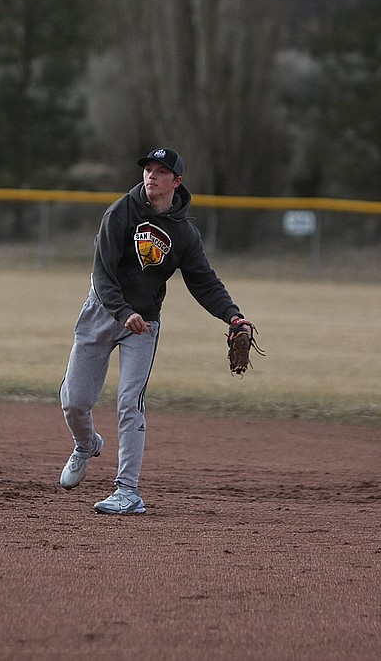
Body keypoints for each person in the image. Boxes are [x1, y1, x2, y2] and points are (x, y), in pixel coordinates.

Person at [57, 147, 254, 514]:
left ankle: (128, 491)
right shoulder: (120, 213)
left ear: (176, 182)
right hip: (103, 311)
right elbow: (103, 274)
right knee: (74, 401)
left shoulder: (184, 233)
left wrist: (233, 316)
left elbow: (205, 282)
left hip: (143, 324)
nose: (151, 176)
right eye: (148, 169)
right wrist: (121, 310)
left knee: (130, 402)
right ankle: (86, 445)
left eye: (161, 171)